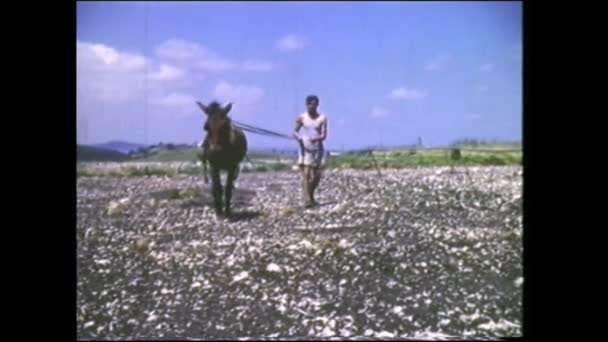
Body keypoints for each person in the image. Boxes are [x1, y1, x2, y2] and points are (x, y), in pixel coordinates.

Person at [293, 95, 329, 208]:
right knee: (306, 175)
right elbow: (295, 131)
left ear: (317, 105)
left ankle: (311, 196)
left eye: (314, 104)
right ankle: (307, 199)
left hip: (317, 149)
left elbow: (324, 135)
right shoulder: (302, 117)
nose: (312, 106)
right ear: (307, 105)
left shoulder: (322, 118)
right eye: (310, 104)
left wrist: (316, 138)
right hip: (305, 149)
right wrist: (299, 138)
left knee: (316, 176)